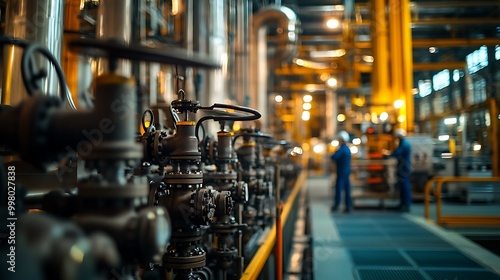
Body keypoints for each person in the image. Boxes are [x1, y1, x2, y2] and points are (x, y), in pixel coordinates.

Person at [390, 128, 412, 212]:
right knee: (403, 187)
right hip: (403, 167)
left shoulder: (404, 144)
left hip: (404, 168)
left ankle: (406, 205)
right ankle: (403, 204)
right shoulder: (404, 143)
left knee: (405, 187)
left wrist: (390, 155)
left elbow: (398, 152)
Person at [330, 131, 352, 213]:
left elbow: (334, 157)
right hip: (346, 171)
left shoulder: (342, 149)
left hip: (341, 172)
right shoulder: (347, 149)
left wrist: (334, 152)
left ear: (341, 140)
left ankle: (337, 205)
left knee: (339, 188)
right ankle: (348, 206)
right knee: (347, 189)